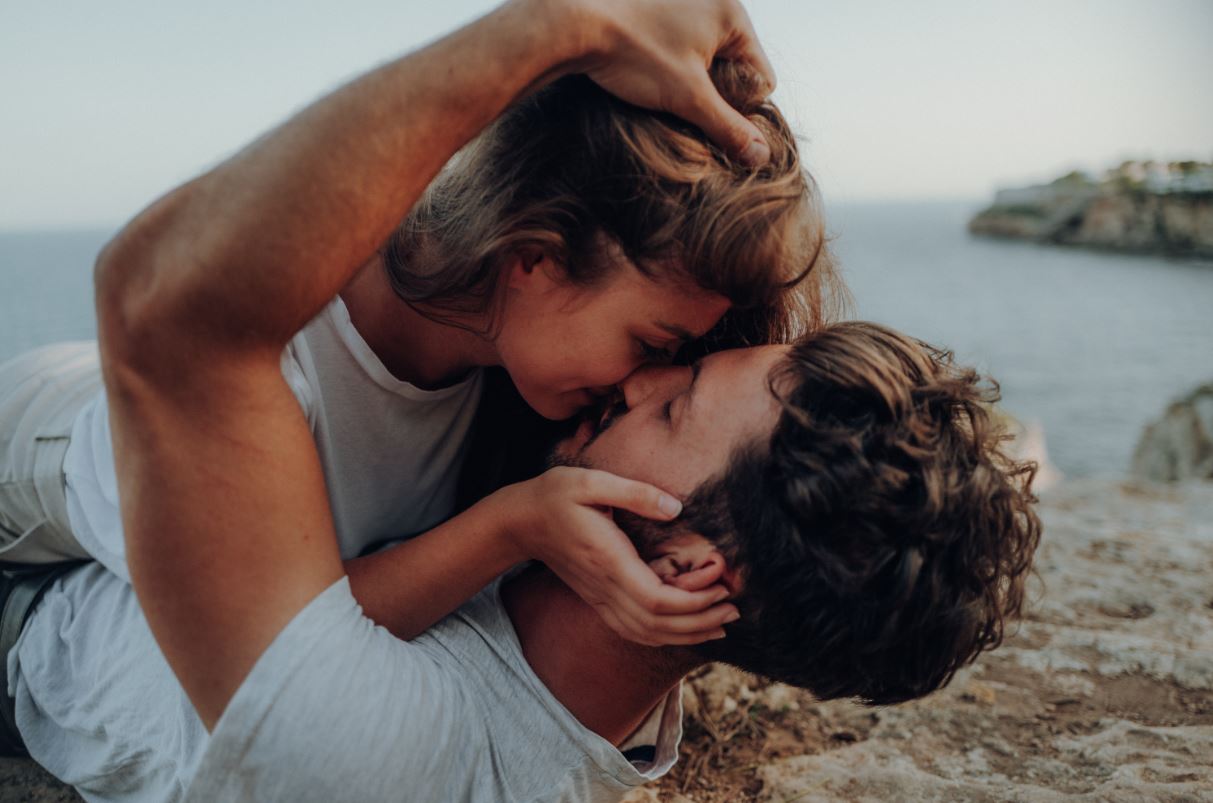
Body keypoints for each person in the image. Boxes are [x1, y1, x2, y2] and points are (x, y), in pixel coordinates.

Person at [0, 0, 834, 650]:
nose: (643, 383)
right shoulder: (291, 348)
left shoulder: (511, 380)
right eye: (654, 345)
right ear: (535, 257)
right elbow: (292, 643)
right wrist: (509, 526)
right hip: (41, 471)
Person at [8, 322, 1041, 801]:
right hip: (118, 519)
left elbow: (171, 302)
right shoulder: (601, 641)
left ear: (686, 569)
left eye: (674, 406)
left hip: (39, 625)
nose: (639, 381)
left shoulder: (422, 765)